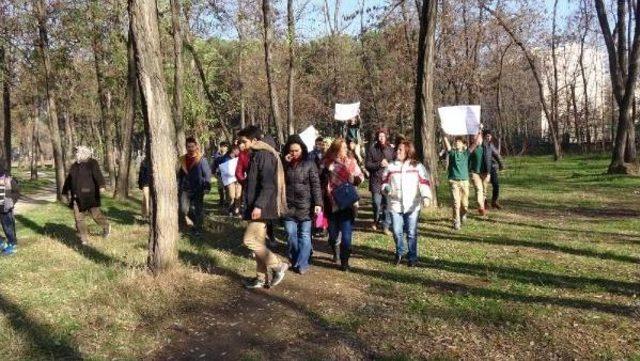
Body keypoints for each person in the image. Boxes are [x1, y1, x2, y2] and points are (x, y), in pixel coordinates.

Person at [238, 126, 289, 289]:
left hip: (262, 207)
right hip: (256, 205)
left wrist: (258, 206)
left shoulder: (264, 155)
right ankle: (261, 278)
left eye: (243, 141)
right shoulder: (256, 154)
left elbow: (268, 185)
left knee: (249, 240)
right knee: (258, 242)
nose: (241, 144)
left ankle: (278, 265)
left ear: (254, 141)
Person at [382, 141, 432, 267]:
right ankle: (399, 252)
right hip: (395, 204)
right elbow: (384, 182)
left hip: (412, 205)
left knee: (411, 232)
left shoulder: (417, 166)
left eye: (400, 150)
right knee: (397, 231)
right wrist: (386, 189)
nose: (397, 152)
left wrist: (426, 196)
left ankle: (412, 257)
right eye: (397, 149)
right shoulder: (391, 166)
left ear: (408, 152)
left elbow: (424, 183)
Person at [282, 135, 323, 274]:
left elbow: (316, 184)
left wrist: (318, 203)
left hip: (305, 205)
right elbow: (278, 181)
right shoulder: (284, 164)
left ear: (302, 150)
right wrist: (284, 163)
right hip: (288, 205)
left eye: (296, 150)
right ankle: (295, 258)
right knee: (290, 234)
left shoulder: (310, 163)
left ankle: (303, 263)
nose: (294, 153)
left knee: (304, 235)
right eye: (291, 150)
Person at [324, 138, 364, 271]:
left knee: (347, 235)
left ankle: (345, 261)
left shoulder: (350, 162)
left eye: (346, 148)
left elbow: (360, 177)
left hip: (347, 202)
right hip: (331, 202)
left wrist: (355, 179)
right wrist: (326, 171)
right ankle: (335, 247)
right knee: (333, 233)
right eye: (342, 148)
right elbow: (318, 178)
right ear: (336, 149)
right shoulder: (326, 162)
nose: (345, 150)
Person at [62, 146, 111, 244]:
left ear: (84, 153)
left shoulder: (92, 163)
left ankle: (106, 226)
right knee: (78, 218)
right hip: (77, 196)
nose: (76, 154)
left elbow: (98, 174)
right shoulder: (74, 165)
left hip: (90, 195)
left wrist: (101, 185)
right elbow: (69, 179)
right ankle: (83, 239)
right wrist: (65, 192)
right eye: (76, 152)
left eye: (77, 152)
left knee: (96, 215)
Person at [443, 133, 481, 230]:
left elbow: (476, 143)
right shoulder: (452, 153)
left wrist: (480, 131)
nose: (456, 143)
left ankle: (463, 214)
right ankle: (456, 222)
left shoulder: (466, 153)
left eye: (459, 142)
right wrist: (444, 134)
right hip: (454, 182)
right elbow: (447, 144)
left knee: (465, 204)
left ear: (464, 145)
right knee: (456, 203)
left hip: (464, 181)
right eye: (456, 142)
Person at [177, 137, 212, 231]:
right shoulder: (182, 159)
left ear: (196, 146)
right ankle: (197, 221)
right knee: (184, 209)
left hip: (198, 188)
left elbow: (207, 174)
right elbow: (179, 175)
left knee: (198, 209)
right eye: (188, 146)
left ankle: (199, 228)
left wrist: (207, 187)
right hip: (185, 188)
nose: (190, 148)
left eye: (192, 146)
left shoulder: (201, 159)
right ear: (186, 147)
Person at [365, 128, 394, 233]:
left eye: (383, 136)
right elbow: (367, 165)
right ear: (377, 137)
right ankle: (376, 220)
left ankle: (386, 226)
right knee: (376, 203)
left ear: (386, 137)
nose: (381, 138)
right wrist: (379, 164)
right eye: (379, 136)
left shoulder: (391, 149)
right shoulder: (372, 149)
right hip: (376, 181)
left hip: (388, 181)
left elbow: (395, 163)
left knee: (387, 204)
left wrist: (389, 164)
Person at [0, 162, 20, 255]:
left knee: (8, 227)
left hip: (6, 208)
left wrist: (11, 202)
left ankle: (12, 244)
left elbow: (16, 192)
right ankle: (1, 242)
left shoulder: (9, 180)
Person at [482, 130, 505, 209]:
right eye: (486, 136)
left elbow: (497, 155)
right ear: (483, 136)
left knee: (496, 184)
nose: (488, 137)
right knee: (483, 186)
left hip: (491, 167)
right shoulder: (480, 145)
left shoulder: (491, 145)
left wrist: (501, 165)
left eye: (489, 136)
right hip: (482, 168)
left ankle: (494, 201)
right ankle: (484, 203)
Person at [469, 134, 489, 216]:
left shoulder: (486, 148)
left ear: (482, 139)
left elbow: (493, 157)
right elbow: (467, 159)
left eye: (478, 138)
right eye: (475, 138)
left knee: (484, 190)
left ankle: (482, 205)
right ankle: (481, 207)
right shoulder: (472, 149)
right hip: (475, 173)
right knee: (478, 189)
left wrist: (491, 170)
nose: (477, 140)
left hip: (485, 173)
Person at [222, 145, 242, 216]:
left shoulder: (239, 157)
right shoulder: (225, 158)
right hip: (230, 180)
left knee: (238, 195)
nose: (239, 151)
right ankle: (229, 208)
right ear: (233, 150)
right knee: (231, 196)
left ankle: (237, 210)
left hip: (238, 180)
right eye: (237, 150)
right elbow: (224, 170)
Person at [211, 141, 230, 206]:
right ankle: (221, 200)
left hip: (228, 175)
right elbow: (214, 165)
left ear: (227, 147)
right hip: (219, 174)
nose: (223, 148)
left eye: (225, 146)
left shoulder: (229, 155)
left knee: (227, 188)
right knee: (220, 188)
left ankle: (228, 201)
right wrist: (213, 172)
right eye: (222, 146)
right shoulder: (217, 155)